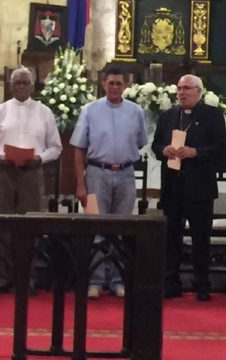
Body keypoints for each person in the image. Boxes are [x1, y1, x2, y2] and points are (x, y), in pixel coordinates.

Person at [0, 67, 62, 295]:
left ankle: (28, 277)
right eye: (18, 83)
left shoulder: (44, 112)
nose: (22, 87)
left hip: (32, 173)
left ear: (33, 86)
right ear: (11, 86)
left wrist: (39, 158)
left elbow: (56, 147)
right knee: (1, 224)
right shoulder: (0, 111)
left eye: (26, 83)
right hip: (4, 172)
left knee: (30, 226)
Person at [71, 67, 146, 299]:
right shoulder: (89, 110)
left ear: (126, 85)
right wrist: (80, 184)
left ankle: (117, 279)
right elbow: (78, 148)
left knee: (121, 229)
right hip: (96, 175)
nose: (115, 87)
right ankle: (94, 279)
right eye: (111, 83)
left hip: (125, 175)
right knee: (96, 228)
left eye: (119, 83)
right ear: (104, 84)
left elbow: (141, 142)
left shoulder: (136, 111)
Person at [152, 74, 226, 302]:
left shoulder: (213, 116)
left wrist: (196, 152)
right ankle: (170, 282)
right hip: (172, 186)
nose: (182, 93)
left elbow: (221, 148)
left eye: (187, 89)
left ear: (199, 91)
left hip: (199, 187)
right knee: (171, 237)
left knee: (200, 238)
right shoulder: (167, 116)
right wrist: (164, 150)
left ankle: (202, 284)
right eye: (179, 89)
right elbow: (156, 144)